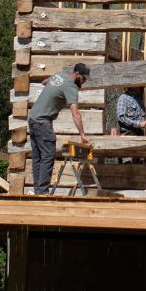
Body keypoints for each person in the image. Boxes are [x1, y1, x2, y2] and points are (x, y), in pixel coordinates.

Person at [28, 63, 91, 195]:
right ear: (77, 74)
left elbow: (44, 81)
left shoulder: (59, 76)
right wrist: (83, 134)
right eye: (84, 79)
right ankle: (43, 192)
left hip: (33, 118)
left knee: (38, 156)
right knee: (48, 155)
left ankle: (38, 190)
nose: (84, 82)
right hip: (43, 122)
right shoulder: (71, 87)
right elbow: (75, 113)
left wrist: (53, 89)